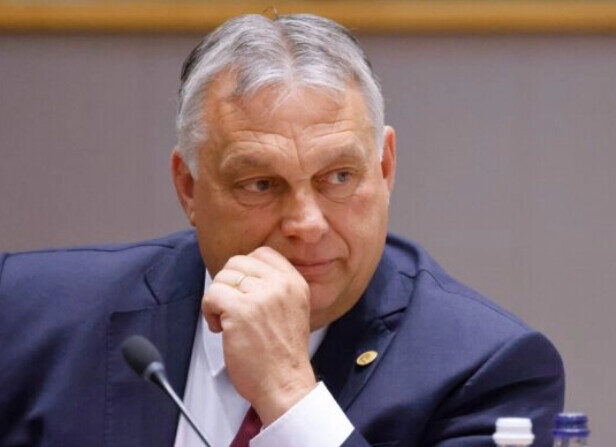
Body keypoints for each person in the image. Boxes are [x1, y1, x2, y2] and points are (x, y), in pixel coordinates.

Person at [0, 13, 564, 447]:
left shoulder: (486, 372)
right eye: (260, 184)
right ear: (189, 188)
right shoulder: (28, 315)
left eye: (338, 177)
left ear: (386, 167)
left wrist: (290, 395)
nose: (307, 224)